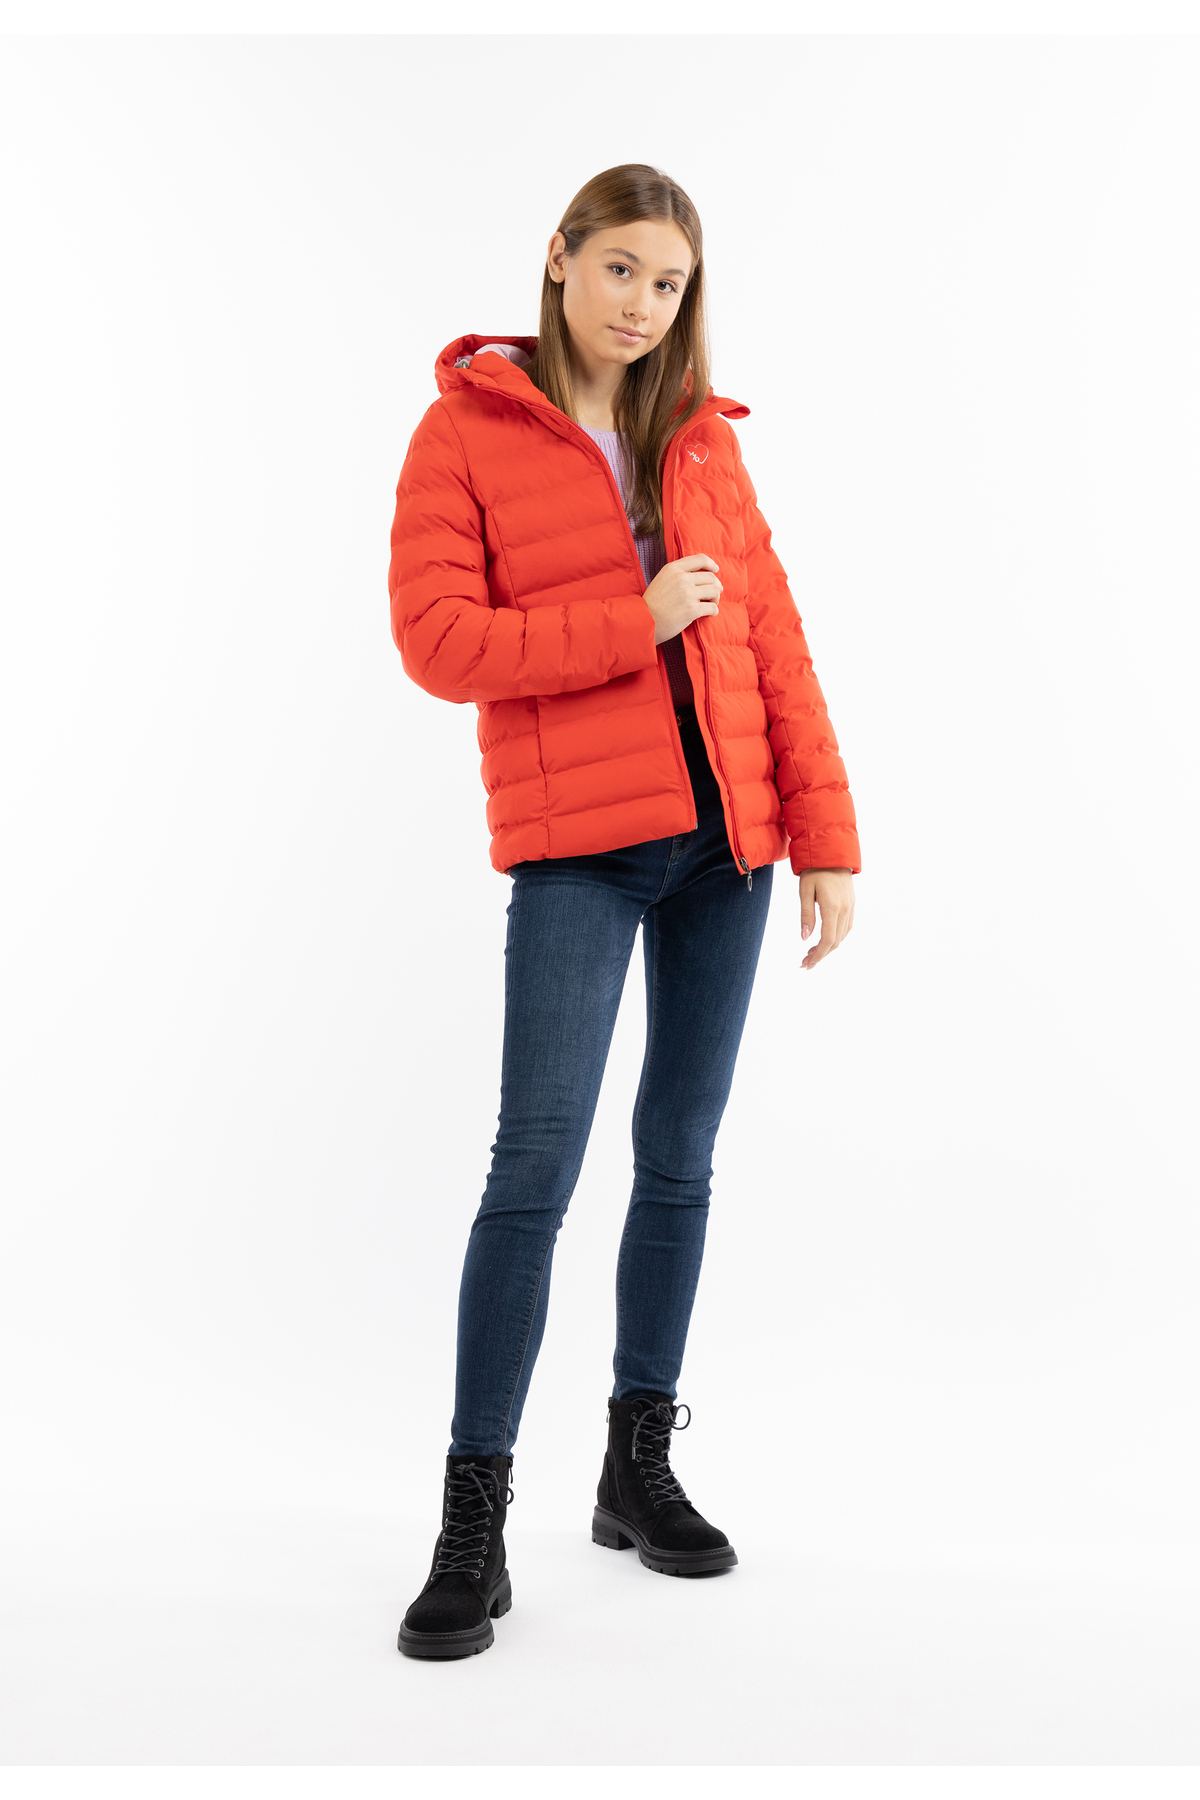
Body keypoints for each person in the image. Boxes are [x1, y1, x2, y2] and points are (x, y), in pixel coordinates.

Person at [387, 164, 861, 1660]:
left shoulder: (701, 438)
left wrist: (827, 838)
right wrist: (631, 624)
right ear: (560, 259)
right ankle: (472, 1521)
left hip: (729, 845)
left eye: (670, 285)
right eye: (621, 271)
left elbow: (774, 642)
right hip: (581, 850)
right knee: (532, 1170)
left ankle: (634, 1465)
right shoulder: (466, 432)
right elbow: (437, 641)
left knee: (679, 1160)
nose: (644, 306)